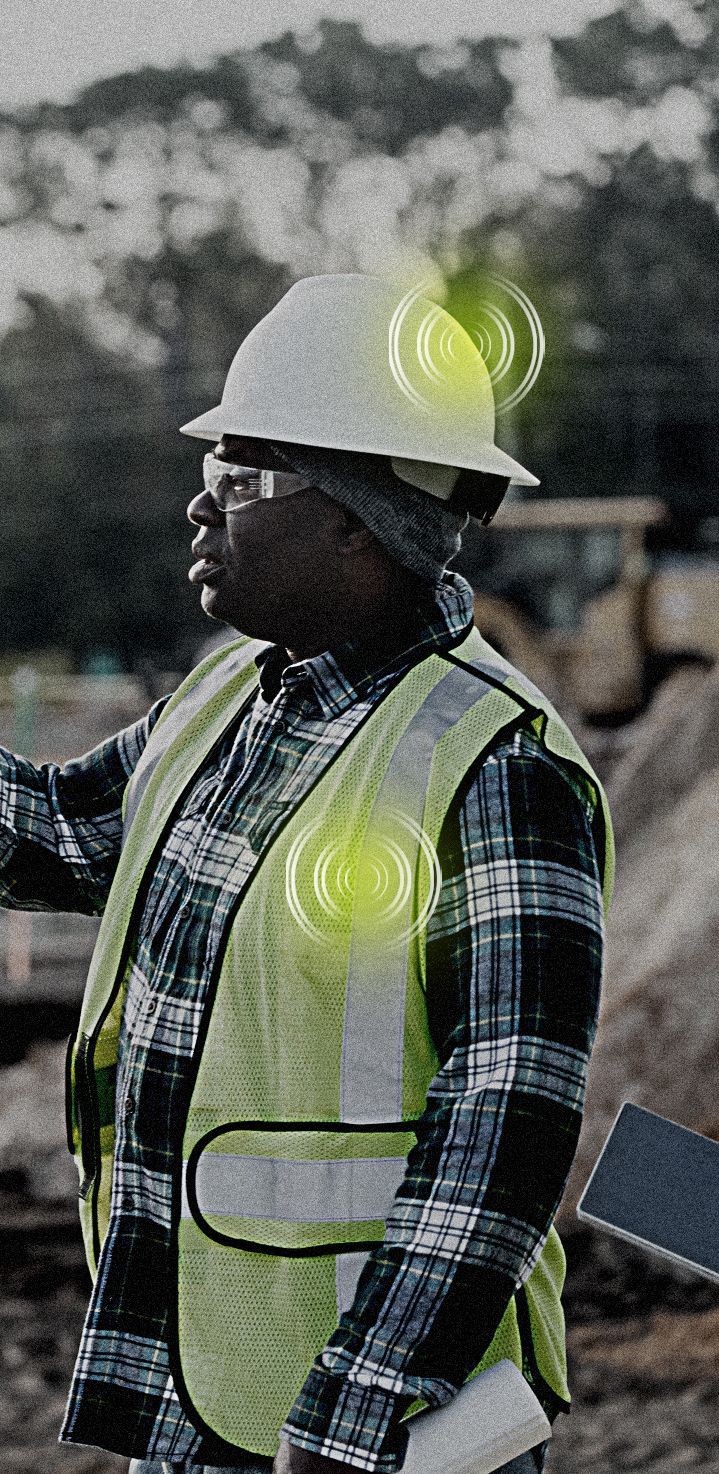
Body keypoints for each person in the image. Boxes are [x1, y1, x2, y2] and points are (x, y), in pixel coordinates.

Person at [6, 275, 613, 1473]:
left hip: (367, 1428)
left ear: (354, 519)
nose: (200, 506)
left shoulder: (497, 766)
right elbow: (61, 835)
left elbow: (504, 1130)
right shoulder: (232, 695)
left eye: (239, 476)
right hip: (205, 1393)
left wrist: (354, 1412)